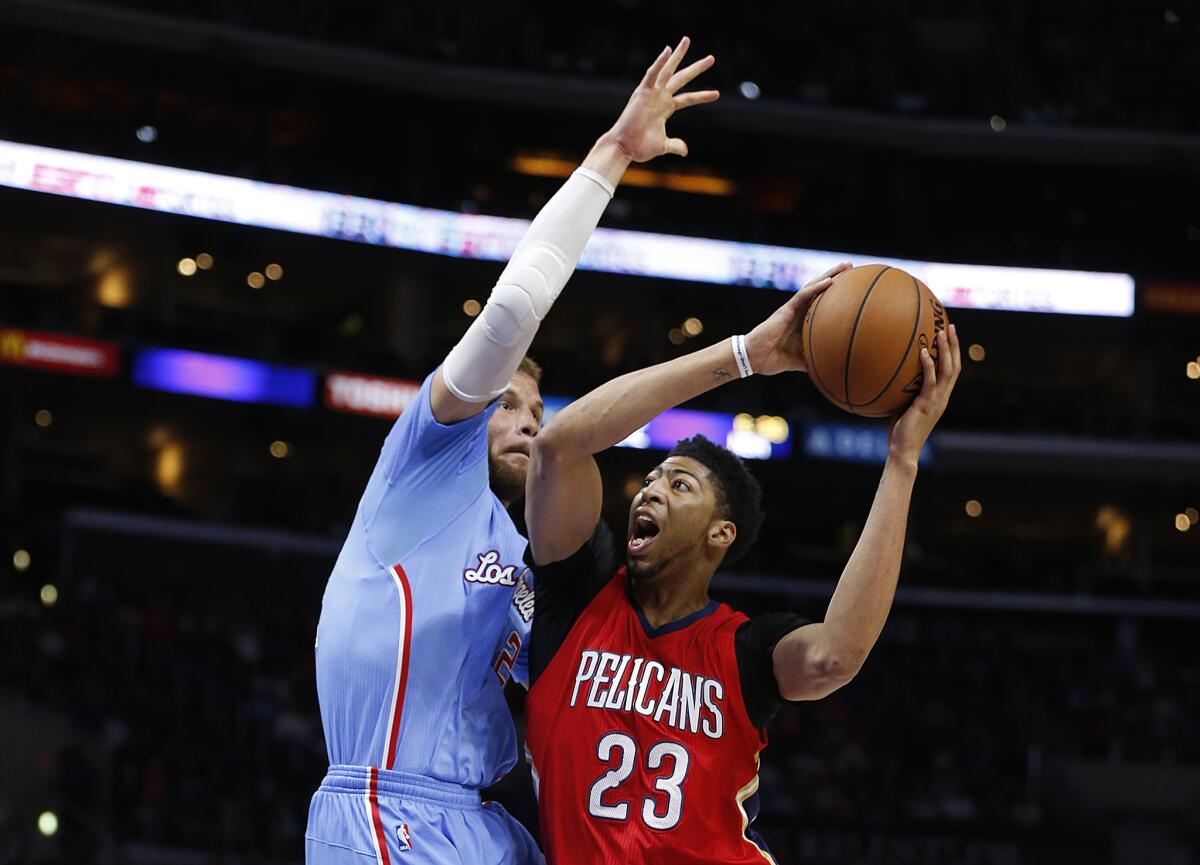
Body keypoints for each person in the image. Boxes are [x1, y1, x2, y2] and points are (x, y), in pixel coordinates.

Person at [304, 38, 720, 865]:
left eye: (541, 407)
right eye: (513, 405)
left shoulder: (533, 559)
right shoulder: (422, 468)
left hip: (491, 827)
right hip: (386, 808)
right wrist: (612, 155)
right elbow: (511, 313)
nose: (532, 422)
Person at [522, 269, 962, 864]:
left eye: (679, 485)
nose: (649, 493)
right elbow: (558, 445)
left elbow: (834, 656)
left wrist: (902, 459)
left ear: (719, 533)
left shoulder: (745, 649)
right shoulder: (577, 595)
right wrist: (744, 355)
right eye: (649, 481)